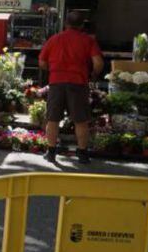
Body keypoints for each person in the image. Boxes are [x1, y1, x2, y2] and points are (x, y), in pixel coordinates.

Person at [39, 10, 104, 165]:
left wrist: (54, 70)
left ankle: (51, 152)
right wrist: (93, 74)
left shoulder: (54, 39)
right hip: (78, 83)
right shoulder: (88, 40)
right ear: (82, 25)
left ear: (66, 23)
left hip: (56, 82)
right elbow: (98, 63)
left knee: (53, 119)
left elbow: (42, 62)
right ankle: (82, 153)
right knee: (81, 120)